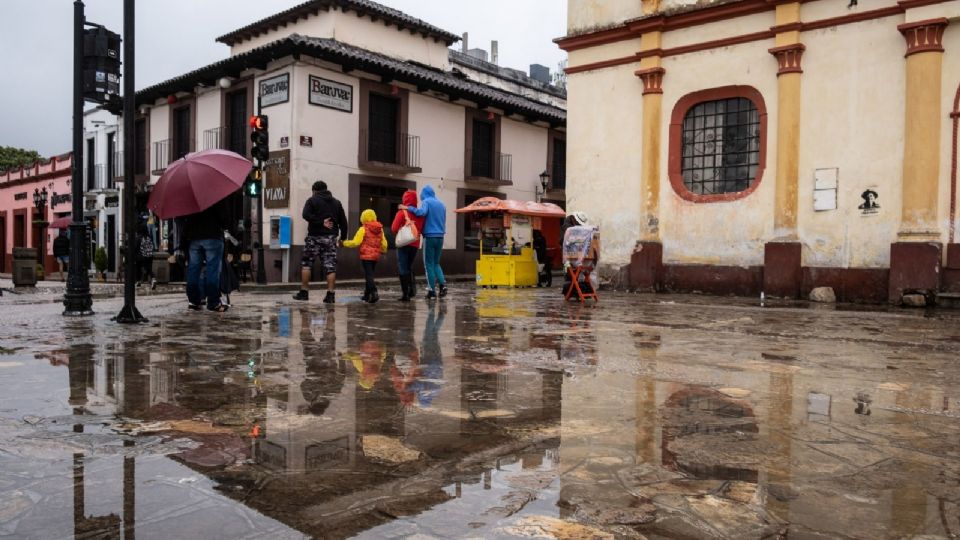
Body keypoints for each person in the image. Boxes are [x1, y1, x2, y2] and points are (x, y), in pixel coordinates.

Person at [294, 181, 348, 303]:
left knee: (307, 264)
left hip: (314, 237)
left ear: (314, 190)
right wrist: (343, 238)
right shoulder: (337, 203)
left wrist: (319, 221)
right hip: (330, 239)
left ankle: (304, 292)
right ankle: (330, 295)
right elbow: (344, 223)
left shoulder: (312, 200)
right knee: (330, 267)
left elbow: (305, 215)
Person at [178, 198, 231, 312]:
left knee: (193, 269)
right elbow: (225, 218)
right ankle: (213, 302)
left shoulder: (190, 197)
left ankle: (193, 300)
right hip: (212, 235)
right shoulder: (215, 195)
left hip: (194, 237)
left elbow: (183, 219)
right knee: (213, 269)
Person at [400, 185, 447, 300]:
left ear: (425, 193)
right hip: (440, 237)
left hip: (429, 237)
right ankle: (443, 285)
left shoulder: (427, 202)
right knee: (436, 263)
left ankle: (431, 291)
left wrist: (408, 208)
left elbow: (421, 212)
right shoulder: (442, 205)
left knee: (428, 264)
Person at [343, 208, 388, 303]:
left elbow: (356, 242)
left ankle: (374, 292)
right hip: (375, 256)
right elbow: (384, 243)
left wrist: (344, 243)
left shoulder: (363, 228)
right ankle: (367, 295)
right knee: (370, 274)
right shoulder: (380, 229)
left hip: (366, 256)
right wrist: (383, 250)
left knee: (369, 275)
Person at [391, 189, 426, 302]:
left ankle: (405, 294)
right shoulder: (420, 214)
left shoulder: (402, 212)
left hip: (403, 243)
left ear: (404, 199)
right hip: (415, 243)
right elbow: (422, 228)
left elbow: (394, 228)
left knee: (403, 267)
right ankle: (411, 290)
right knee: (409, 266)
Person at [136, 225, 156, 290]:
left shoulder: (139, 237)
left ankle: (139, 280)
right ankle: (153, 279)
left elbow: (137, 248)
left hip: (143, 256)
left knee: (139, 267)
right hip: (150, 255)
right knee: (149, 268)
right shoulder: (149, 237)